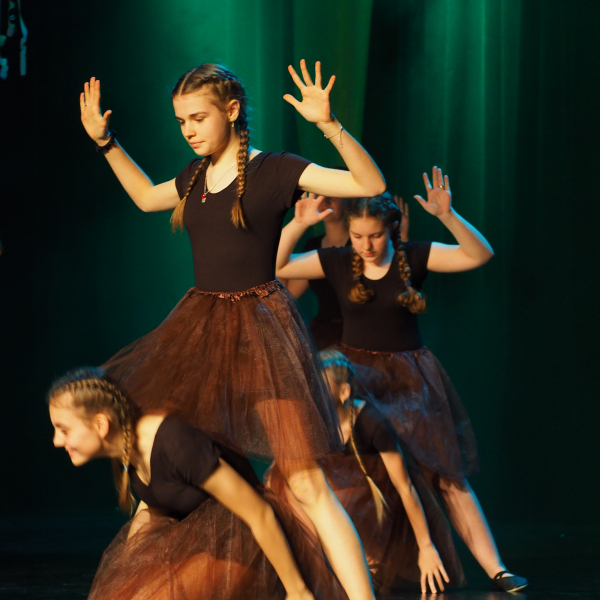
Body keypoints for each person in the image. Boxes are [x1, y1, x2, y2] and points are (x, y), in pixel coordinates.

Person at [79, 60, 386, 600]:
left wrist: (328, 125)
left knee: (305, 481)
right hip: (200, 333)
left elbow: (370, 184)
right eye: (181, 122)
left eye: (198, 118)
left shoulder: (275, 169)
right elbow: (147, 197)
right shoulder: (195, 176)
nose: (189, 130)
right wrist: (106, 143)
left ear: (232, 110)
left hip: (262, 333)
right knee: (168, 469)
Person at [275, 169, 528, 593]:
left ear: (390, 229)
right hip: (357, 378)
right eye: (358, 236)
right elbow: (278, 266)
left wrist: (447, 216)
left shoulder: (414, 256)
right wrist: (298, 225)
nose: (366, 245)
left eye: (374, 236)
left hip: (410, 381)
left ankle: (496, 568)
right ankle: (347, 566)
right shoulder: (338, 261)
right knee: (349, 471)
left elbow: (479, 254)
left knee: (445, 475)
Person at [48, 367, 347, 600]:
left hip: (243, 542)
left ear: (101, 424)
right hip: (202, 541)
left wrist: (298, 591)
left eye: (63, 430)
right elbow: (152, 503)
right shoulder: (127, 447)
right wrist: (127, 571)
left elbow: (260, 514)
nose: (57, 441)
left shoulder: (175, 444)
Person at [268, 349, 465, 594]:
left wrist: (426, 547)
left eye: (321, 387)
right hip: (335, 494)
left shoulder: (371, 422)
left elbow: (405, 487)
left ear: (343, 393)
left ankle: (363, 563)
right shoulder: (313, 421)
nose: (313, 395)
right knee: (286, 479)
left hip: (377, 501)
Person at [283, 195, 409, 350]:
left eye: (333, 196)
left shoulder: (365, 249)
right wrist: (296, 224)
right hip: (325, 333)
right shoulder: (314, 246)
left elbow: (396, 281)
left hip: (363, 335)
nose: (325, 201)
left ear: (348, 201)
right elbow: (289, 292)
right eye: (321, 195)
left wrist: (401, 238)